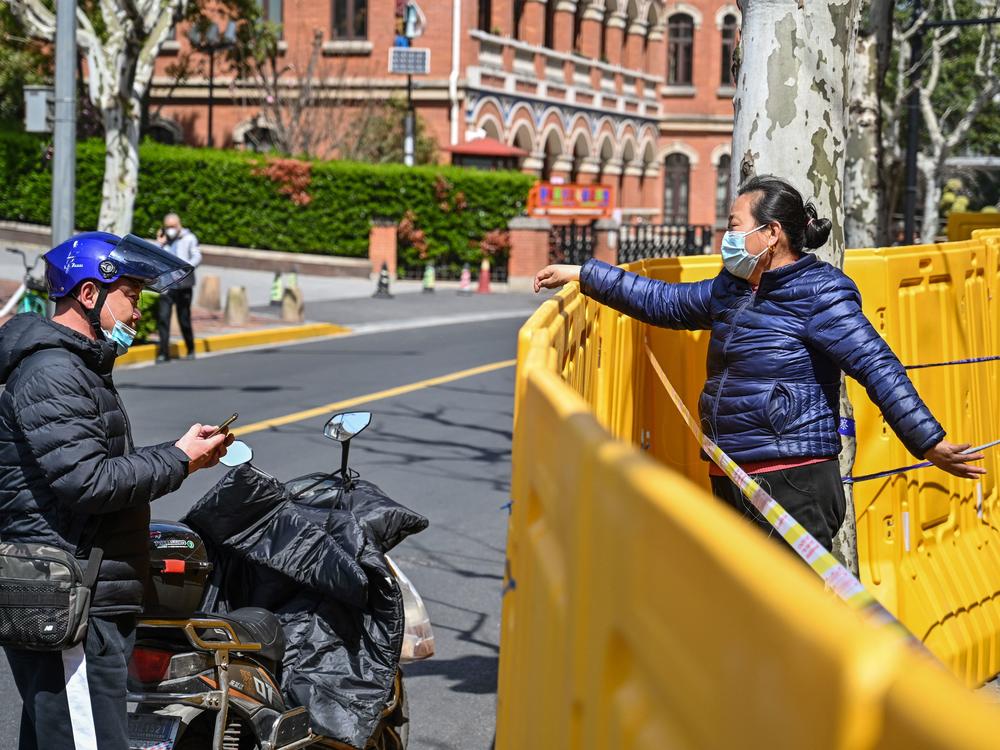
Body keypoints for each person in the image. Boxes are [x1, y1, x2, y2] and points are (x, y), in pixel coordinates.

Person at [534, 175, 985, 552]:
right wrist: (583, 274)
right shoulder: (732, 287)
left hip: (792, 476)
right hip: (730, 469)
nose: (726, 238)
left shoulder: (821, 293)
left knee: (794, 616)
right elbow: (663, 301)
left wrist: (929, 443)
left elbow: (877, 365)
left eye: (734, 226)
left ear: (770, 234)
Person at [0, 231, 234, 750]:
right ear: (89, 295)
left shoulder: (76, 368)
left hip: (79, 595)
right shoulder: (54, 371)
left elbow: (95, 467)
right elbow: (88, 482)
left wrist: (179, 455)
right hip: (69, 600)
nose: (138, 313)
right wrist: (179, 459)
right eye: (131, 296)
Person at [155, 213, 201, 362]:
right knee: (163, 318)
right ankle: (163, 352)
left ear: (179, 225)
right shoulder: (164, 240)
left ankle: (190, 348)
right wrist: (160, 243)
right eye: (168, 227)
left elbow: (197, 256)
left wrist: (186, 267)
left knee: (184, 318)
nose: (170, 230)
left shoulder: (189, 238)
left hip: (183, 284)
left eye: (173, 226)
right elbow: (155, 255)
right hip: (167, 285)